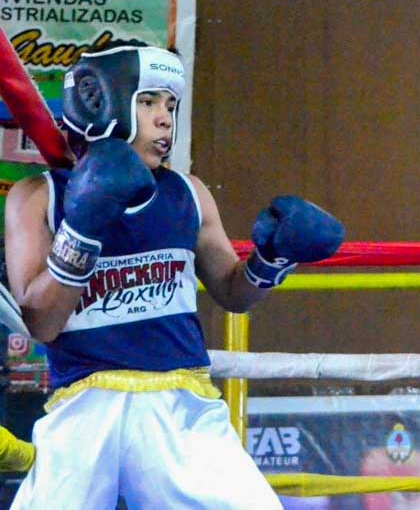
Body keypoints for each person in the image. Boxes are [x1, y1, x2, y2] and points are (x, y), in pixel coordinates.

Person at [5, 42, 344, 509]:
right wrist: (83, 226)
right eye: (147, 102)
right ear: (99, 100)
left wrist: (273, 259)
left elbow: (232, 291)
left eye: (170, 104)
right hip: (84, 406)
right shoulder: (38, 197)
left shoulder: (188, 192)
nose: (164, 119)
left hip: (181, 403)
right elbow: (41, 323)